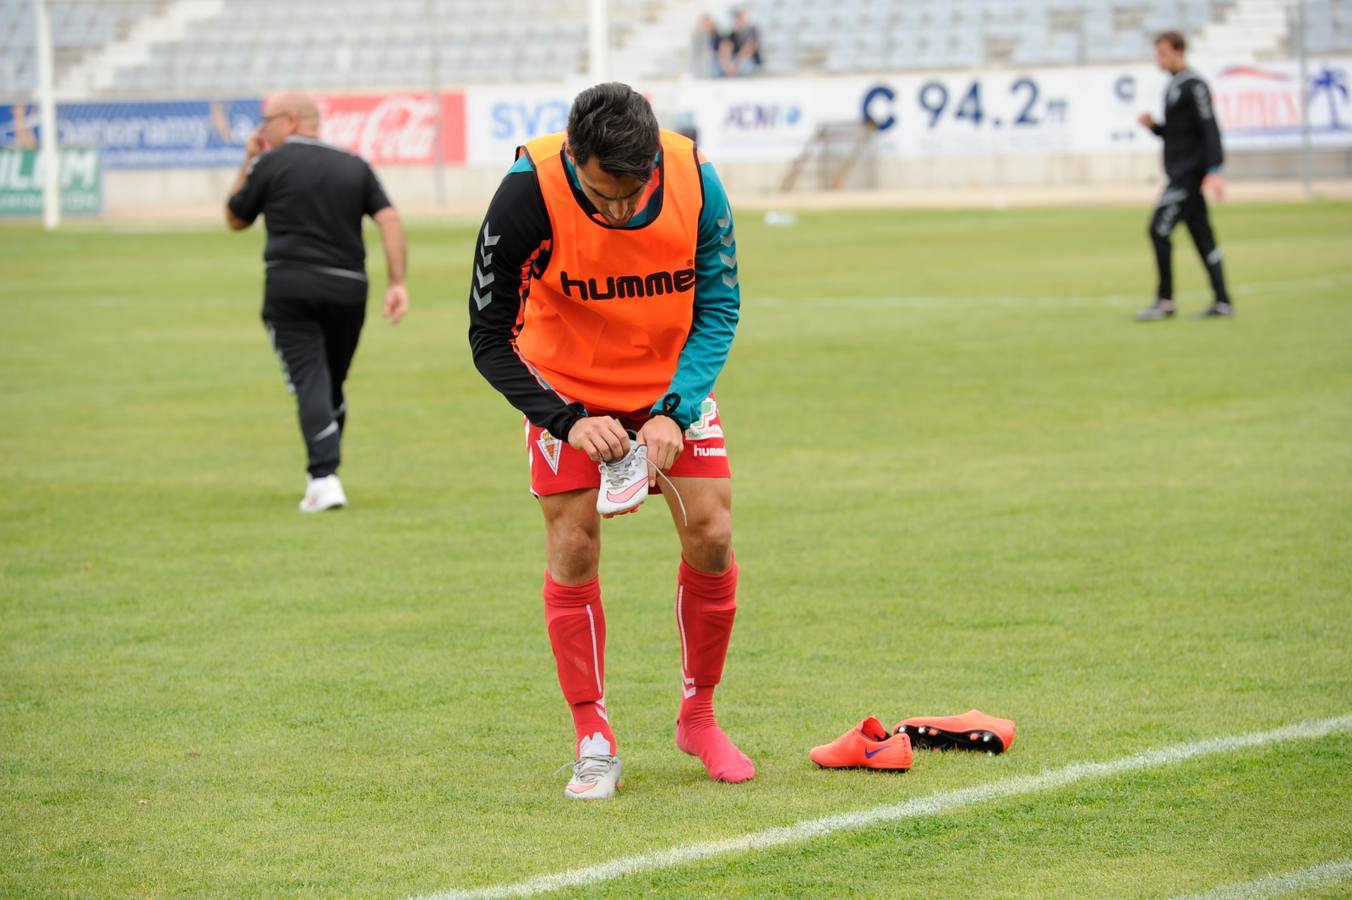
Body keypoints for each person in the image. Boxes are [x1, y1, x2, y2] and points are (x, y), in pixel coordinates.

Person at [467, 82, 750, 800]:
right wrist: (564, 418)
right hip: (567, 388)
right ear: (573, 157)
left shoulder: (696, 177)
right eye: (603, 194)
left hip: (668, 391)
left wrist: (673, 411)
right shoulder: (525, 194)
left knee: (712, 532)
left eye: (632, 192)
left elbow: (719, 305)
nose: (619, 210)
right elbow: (489, 339)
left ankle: (700, 716)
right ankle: (592, 733)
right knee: (573, 545)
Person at [225, 92, 408, 511]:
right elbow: (389, 219)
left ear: (289, 121)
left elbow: (235, 217)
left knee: (311, 380)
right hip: (348, 288)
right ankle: (321, 478)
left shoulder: (271, 163)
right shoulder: (353, 164)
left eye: (266, 120)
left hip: (290, 286)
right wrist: (397, 282)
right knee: (329, 383)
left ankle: (325, 477)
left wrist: (249, 160)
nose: (261, 129)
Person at [1135, 31, 1233, 320]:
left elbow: (1210, 127)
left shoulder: (1195, 85)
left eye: (1163, 53)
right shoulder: (1173, 87)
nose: (1159, 59)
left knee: (1158, 229)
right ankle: (1223, 301)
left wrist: (1214, 170)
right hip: (1180, 173)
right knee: (1203, 237)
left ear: (1179, 52)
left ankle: (1165, 301)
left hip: (1188, 176)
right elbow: (1179, 135)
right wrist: (1155, 127)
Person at [721, 7, 763, 77]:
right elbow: (725, 47)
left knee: (745, 65)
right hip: (735, 62)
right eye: (737, 18)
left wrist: (736, 64)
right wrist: (727, 64)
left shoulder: (752, 30)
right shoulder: (733, 33)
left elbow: (749, 49)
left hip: (749, 61)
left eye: (740, 17)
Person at [691, 13, 725, 79]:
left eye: (708, 22)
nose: (707, 25)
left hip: (718, 59)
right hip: (706, 61)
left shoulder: (717, 33)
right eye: (705, 23)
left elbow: (723, 46)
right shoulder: (698, 34)